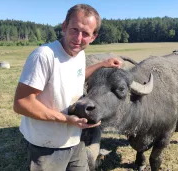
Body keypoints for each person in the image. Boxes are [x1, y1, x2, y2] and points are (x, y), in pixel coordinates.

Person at [13, 4, 122, 171]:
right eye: (74, 29)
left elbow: (75, 75)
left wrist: (102, 64)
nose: (78, 38)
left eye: (85, 33)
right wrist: (66, 119)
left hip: (74, 138)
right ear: (64, 26)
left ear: (93, 37)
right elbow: (22, 103)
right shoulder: (44, 56)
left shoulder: (79, 54)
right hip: (46, 145)